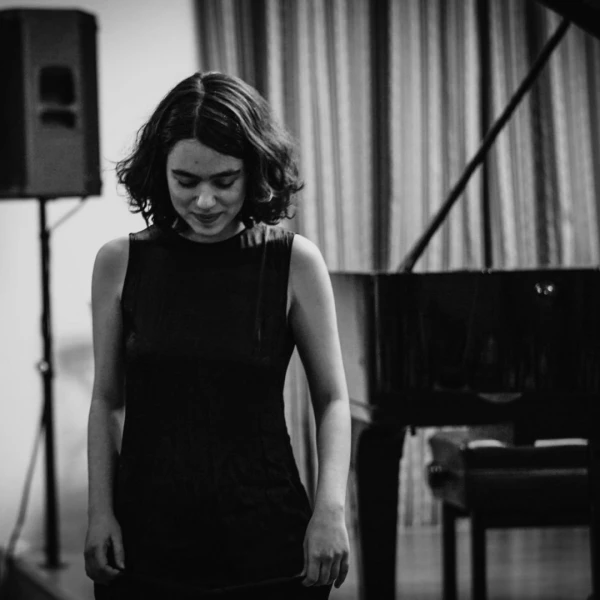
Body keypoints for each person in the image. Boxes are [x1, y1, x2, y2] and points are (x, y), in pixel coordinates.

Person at [84, 71, 351, 599]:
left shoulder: (294, 261)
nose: (204, 200)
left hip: (267, 534)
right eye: (186, 181)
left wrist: (330, 510)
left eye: (224, 181)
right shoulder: (119, 261)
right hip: (147, 537)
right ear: (159, 171)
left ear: (254, 172)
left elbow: (333, 399)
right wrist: (99, 512)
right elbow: (108, 400)